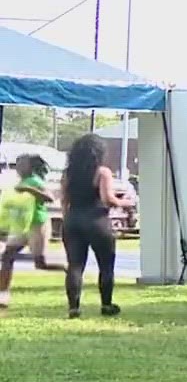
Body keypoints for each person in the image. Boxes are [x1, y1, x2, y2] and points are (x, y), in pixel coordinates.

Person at [59, 134, 134, 319]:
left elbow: (64, 200)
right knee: (106, 265)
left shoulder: (68, 173)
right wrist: (127, 203)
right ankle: (106, 304)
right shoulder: (102, 172)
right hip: (96, 220)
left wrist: (68, 217)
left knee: (75, 265)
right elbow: (107, 199)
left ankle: (73, 307)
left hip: (73, 219)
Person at [0, 153, 61, 308]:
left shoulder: (34, 181)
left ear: (31, 167)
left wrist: (29, 189)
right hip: (22, 226)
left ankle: (69, 269)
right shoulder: (20, 182)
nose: (19, 167)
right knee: (7, 257)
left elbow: (50, 198)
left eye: (22, 164)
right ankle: (3, 294)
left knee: (41, 264)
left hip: (37, 225)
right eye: (17, 164)